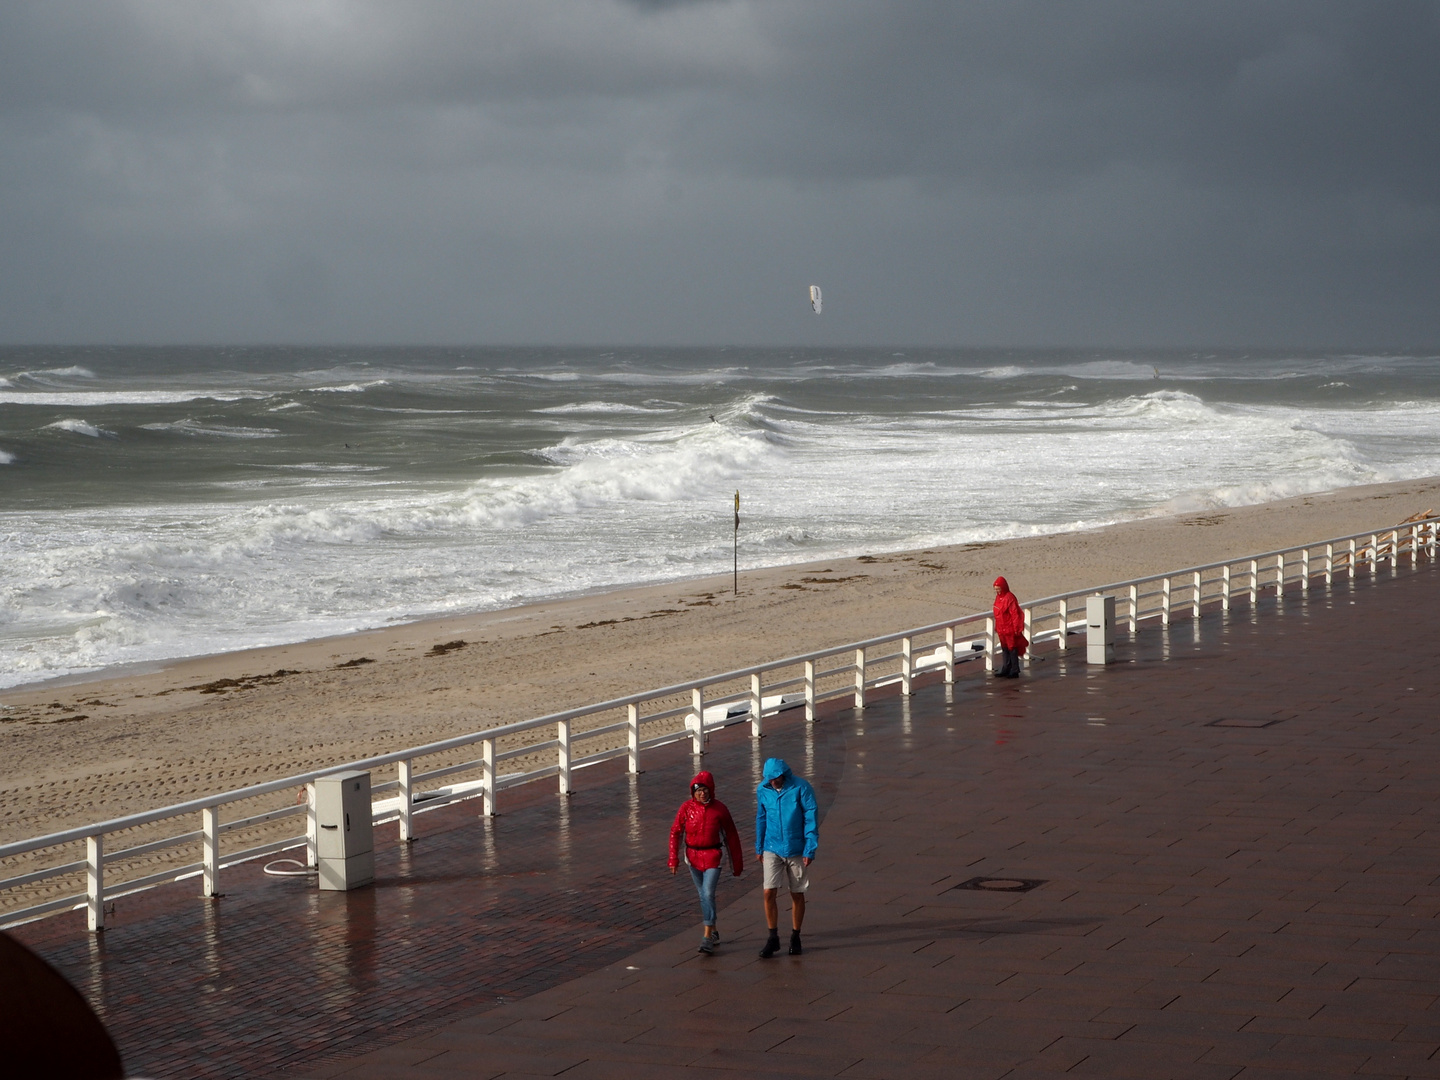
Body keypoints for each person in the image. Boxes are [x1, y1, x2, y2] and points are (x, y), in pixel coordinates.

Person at [668, 770, 743, 954]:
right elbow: (675, 832)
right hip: (692, 858)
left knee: (707, 893)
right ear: (693, 792)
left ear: (711, 790)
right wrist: (673, 858)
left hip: (713, 856)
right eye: (698, 790)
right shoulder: (686, 808)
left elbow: (731, 836)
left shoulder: (720, 810)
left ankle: (707, 936)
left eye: (705, 790)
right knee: (703, 895)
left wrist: (737, 864)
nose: (702, 793)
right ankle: (715, 931)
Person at [754, 757, 818, 957]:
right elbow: (761, 817)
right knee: (768, 892)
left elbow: (810, 817)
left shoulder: (801, 788)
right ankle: (773, 937)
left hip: (796, 847)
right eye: (769, 779)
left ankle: (795, 935)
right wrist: (759, 846)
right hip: (772, 846)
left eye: (775, 778)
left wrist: (810, 848)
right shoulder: (763, 790)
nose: (772, 782)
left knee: (797, 893)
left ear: (783, 774)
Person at [992, 576, 1028, 678]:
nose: (997, 591)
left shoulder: (1010, 597)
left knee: (1012, 649)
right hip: (1001, 627)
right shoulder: (998, 598)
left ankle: (1015, 670)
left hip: (1009, 628)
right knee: (1004, 649)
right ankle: (1006, 668)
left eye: (998, 589)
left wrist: (1017, 628)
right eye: (996, 589)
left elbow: (1015, 613)